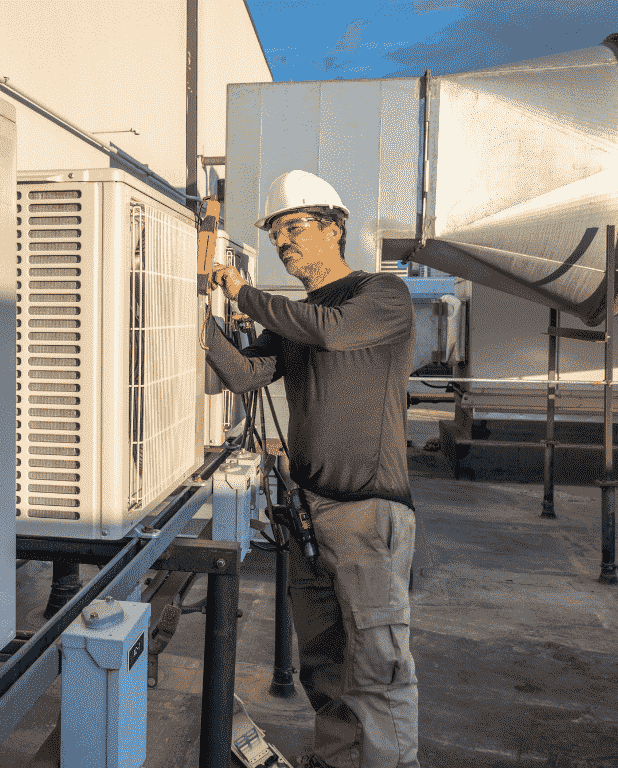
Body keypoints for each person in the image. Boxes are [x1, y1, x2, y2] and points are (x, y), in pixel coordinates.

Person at [204, 170, 419, 768]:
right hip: (309, 518)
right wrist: (198, 321)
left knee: (378, 671)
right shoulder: (295, 319)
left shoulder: (379, 296)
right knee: (323, 669)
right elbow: (248, 375)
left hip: (366, 516)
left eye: (294, 227)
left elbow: (332, 332)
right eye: (277, 234)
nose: (284, 243)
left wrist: (245, 294)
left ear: (334, 228)